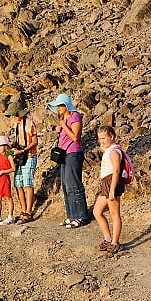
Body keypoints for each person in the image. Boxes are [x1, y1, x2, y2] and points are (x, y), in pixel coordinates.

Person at [48, 92, 87, 228]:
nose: (58, 108)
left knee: (74, 185)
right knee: (66, 186)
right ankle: (71, 216)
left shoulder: (75, 116)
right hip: (65, 155)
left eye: (60, 105)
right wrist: (60, 131)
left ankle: (81, 216)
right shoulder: (64, 117)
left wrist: (64, 126)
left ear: (66, 105)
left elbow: (76, 137)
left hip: (74, 153)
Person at [93, 125, 127, 255]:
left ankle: (115, 242)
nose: (101, 141)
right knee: (97, 211)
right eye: (100, 138)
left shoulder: (114, 151)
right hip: (106, 183)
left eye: (104, 138)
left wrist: (112, 190)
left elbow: (116, 170)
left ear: (112, 136)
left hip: (111, 182)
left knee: (114, 214)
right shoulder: (109, 150)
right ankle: (108, 238)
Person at [5, 101, 38, 222]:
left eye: (14, 115)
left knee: (27, 183)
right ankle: (24, 210)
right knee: (18, 183)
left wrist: (22, 150)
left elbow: (34, 142)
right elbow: (18, 141)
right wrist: (9, 147)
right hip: (20, 156)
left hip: (29, 155)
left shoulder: (29, 123)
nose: (13, 117)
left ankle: (29, 212)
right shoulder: (16, 125)